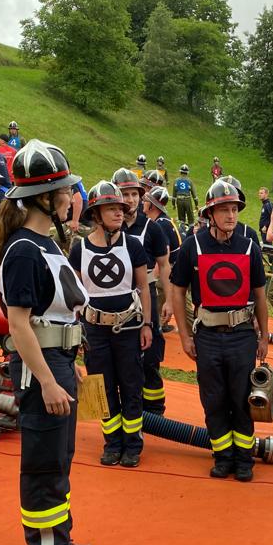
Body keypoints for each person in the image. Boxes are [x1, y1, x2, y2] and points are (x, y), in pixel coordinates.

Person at [0, 138, 91, 545]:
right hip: (42, 368)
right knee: (44, 461)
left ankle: (59, 537)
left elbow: (58, 313)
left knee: (60, 455)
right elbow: (19, 325)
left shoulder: (46, 244)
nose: (72, 198)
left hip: (59, 361)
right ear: (45, 199)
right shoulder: (24, 250)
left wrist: (71, 361)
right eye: (66, 191)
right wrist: (48, 380)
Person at [170, 178, 268, 481]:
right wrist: (184, 336)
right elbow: (177, 291)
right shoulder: (193, 246)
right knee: (213, 399)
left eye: (234, 209)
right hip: (208, 336)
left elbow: (260, 294)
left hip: (242, 335)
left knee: (242, 398)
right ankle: (223, 456)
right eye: (224, 209)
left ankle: (244, 459)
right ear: (210, 214)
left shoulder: (249, 247)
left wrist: (264, 337)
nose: (231, 215)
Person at [69, 181, 152, 468]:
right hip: (95, 331)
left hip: (128, 328)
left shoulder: (133, 245)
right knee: (101, 388)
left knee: (131, 386)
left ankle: (132, 445)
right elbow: (75, 295)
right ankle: (112, 443)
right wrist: (76, 331)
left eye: (120, 209)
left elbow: (144, 287)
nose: (119, 213)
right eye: (111, 209)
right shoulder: (79, 249)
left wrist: (147, 324)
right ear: (96, 214)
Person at [116, 167, 173, 414]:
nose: (130, 200)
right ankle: (127, 405)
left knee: (149, 355)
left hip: (146, 294)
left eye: (134, 194)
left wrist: (169, 300)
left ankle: (154, 408)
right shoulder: (108, 228)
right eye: (124, 194)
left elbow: (165, 266)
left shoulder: (152, 228)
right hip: (116, 296)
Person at [143, 184, 182, 333]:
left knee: (158, 293)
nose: (143, 203)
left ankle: (157, 325)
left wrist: (152, 278)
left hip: (173, 268)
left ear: (152, 206)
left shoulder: (160, 225)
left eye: (146, 200)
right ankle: (160, 323)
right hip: (176, 267)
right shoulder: (162, 221)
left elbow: (164, 256)